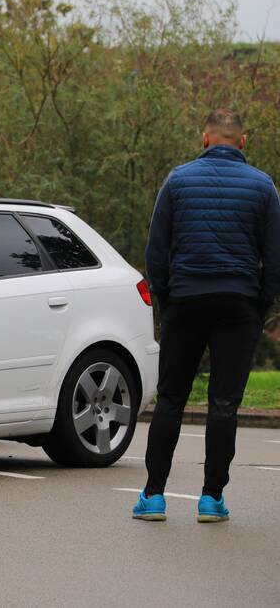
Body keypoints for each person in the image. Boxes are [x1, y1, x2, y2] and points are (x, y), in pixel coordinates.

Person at [133, 108, 280, 523]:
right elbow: (275, 257)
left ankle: (153, 496)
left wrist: (167, 299)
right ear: (242, 142)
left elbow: (156, 250)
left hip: (186, 300)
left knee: (172, 399)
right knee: (224, 404)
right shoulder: (263, 187)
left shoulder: (178, 181)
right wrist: (259, 305)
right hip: (239, 304)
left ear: (205, 139)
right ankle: (212, 499)